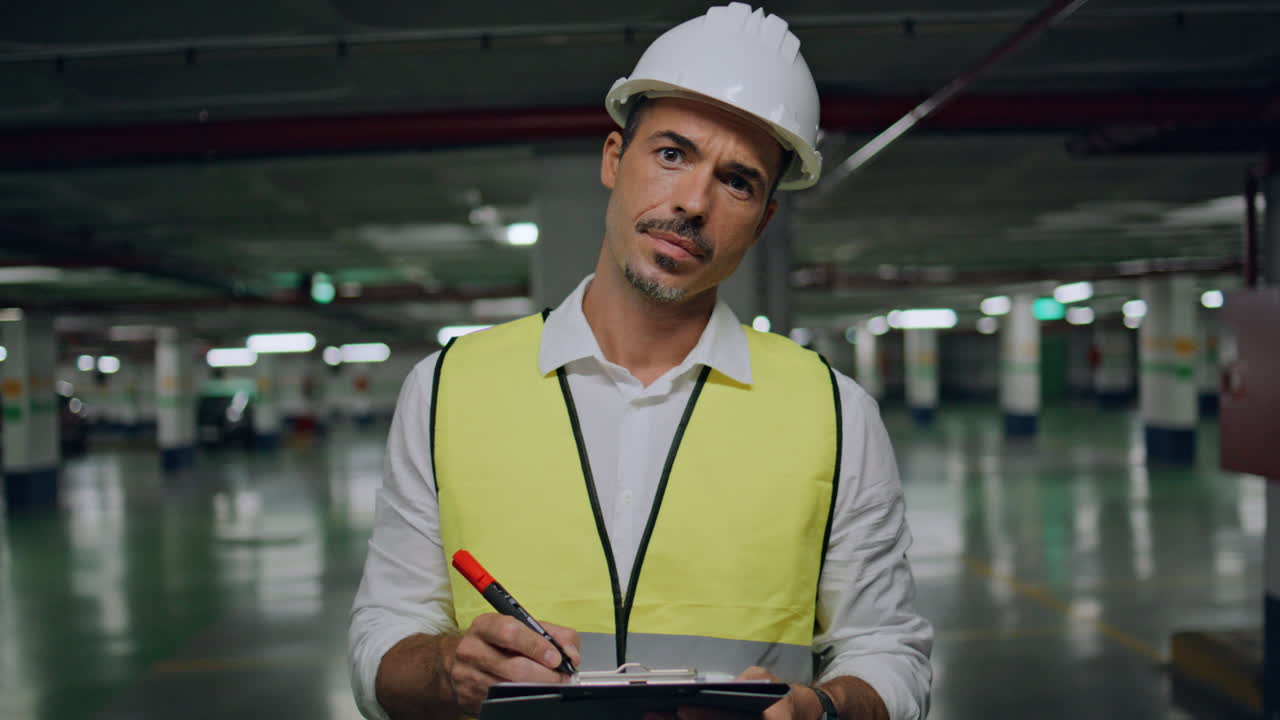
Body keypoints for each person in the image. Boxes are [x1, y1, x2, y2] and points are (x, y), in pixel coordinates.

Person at [349, 4, 932, 719]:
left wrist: (826, 709)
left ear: (764, 220)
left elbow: (888, 652)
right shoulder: (446, 388)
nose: (692, 202)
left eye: (738, 181)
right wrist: (447, 668)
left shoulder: (835, 413)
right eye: (672, 153)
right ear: (614, 159)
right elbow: (380, 641)